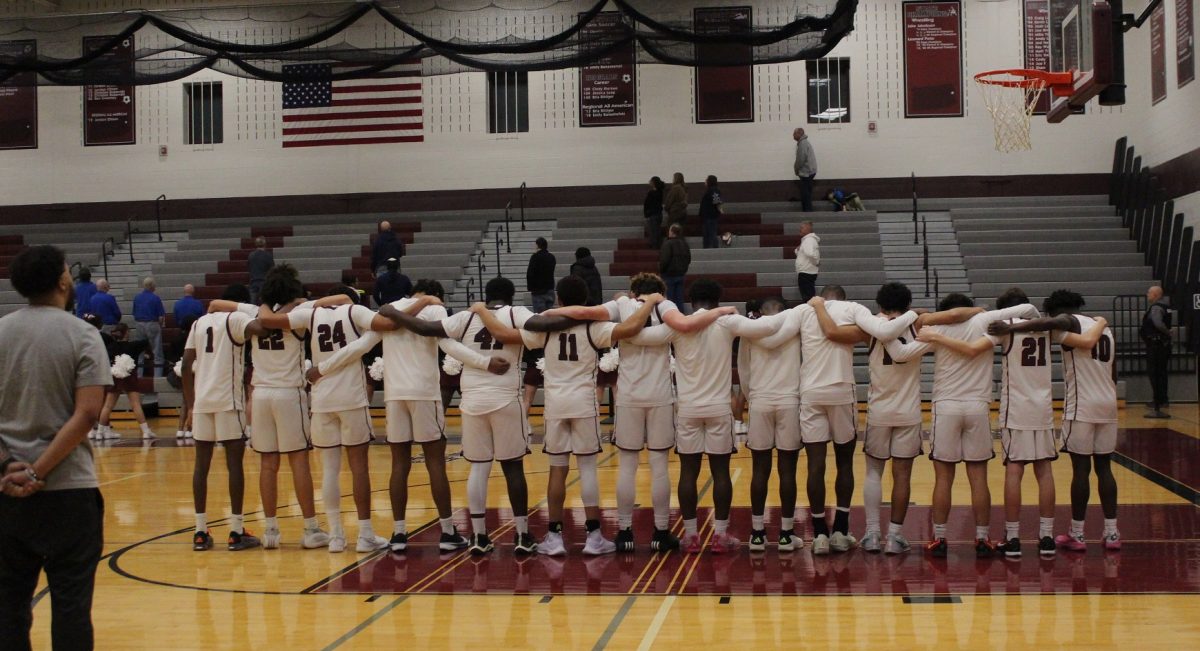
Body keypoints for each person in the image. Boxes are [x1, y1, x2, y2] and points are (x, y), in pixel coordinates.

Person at [541, 273, 737, 553]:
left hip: (629, 396)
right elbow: (687, 324)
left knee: (627, 466)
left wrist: (550, 312)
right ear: (661, 291)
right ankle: (660, 531)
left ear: (634, 292)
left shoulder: (621, 305)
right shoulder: (665, 306)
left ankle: (624, 532)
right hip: (659, 396)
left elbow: (584, 311)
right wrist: (721, 310)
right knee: (659, 467)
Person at [473, 275, 661, 556]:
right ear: (586, 301)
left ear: (558, 299)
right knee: (587, 469)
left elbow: (503, 335)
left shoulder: (545, 326)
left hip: (556, 403)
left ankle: (554, 536)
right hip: (584, 402)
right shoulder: (594, 326)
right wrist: (652, 302)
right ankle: (594, 536)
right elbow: (633, 327)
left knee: (557, 470)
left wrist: (481, 311)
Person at [380, 277, 571, 555]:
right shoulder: (515, 313)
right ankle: (521, 534)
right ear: (511, 295)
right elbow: (542, 325)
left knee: (479, 468)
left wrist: (393, 312)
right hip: (505, 398)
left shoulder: (467, 316)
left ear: (487, 295)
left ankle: (479, 536)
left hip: (472, 401)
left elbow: (424, 328)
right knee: (513, 467)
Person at [307, 280, 496, 554]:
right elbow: (449, 347)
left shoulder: (390, 309)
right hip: (424, 393)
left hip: (394, 396)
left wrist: (322, 367)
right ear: (436, 293)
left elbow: (360, 346)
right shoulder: (434, 308)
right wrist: (485, 362)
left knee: (399, 465)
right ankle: (446, 530)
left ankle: (398, 533)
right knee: (434, 464)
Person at [0, 245, 110, 651]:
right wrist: (38, 471)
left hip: (6, 494)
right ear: (64, 280)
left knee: (8, 609)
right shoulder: (83, 334)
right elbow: (86, 415)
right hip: (69, 493)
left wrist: (11, 465)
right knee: (71, 609)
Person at [817, 283, 980, 555]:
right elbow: (953, 316)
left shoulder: (869, 328)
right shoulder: (919, 326)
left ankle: (871, 533)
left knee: (873, 473)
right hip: (909, 412)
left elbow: (833, 333)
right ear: (907, 304)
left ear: (879, 305)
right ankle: (894, 536)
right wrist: (978, 310)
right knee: (902, 475)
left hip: (879, 411)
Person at [630, 280, 782, 554]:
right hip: (718, 409)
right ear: (717, 299)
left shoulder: (678, 326)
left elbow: (637, 336)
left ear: (690, 301)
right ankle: (720, 536)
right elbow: (768, 326)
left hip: (688, 408)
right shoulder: (726, 323)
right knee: (720, 472)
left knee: (688, 472)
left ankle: (690, 536)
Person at [206, 264, 348, 552]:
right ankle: (310, 529)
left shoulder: (255, 312)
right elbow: (343, 300)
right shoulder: (299, 312)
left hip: (260, 395)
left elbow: (214, 304)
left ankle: (271, 530)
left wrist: (259, 306)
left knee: (268, 464)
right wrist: (301, 302)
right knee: (298, 462)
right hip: (288, 393)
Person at [901, 293, 1039, 558]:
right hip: (977, 406)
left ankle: (940, 537)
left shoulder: (935, 328)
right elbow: (1031, 309)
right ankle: (982, 538)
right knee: (979, 478)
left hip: (946, 406)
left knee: (943, 478)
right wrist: (981, 312)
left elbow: (906, 348)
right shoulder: (985, 320)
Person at [987, 290, 1122, 552]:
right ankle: (1111, 532)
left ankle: (1075, 534)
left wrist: (1013, 325)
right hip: (1104, 403)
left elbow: (1051, 324)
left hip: (1074, 405)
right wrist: (1103, 321)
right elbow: (1114, 372)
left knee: (1075, 470)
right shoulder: (1101, 328)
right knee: (1102, 468)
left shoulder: (1063, 325)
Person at [182, 283, 271, 553]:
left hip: (202, 402)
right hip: (227, 401)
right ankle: (235, 529)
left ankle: (200, 531)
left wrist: (190, 405)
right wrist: (250, 310)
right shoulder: (237, 317)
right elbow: (263, 327)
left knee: (201, 467)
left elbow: (186, 365)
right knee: (235, 466)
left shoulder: (199, 323)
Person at [94, 322, 153, 441]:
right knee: (135, 404)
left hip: (115, 375)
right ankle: (146, 432)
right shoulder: (134, 345)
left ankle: (99, 433)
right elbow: (147, 341)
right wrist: (148, 353)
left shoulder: (111, 346)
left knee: (107, 405)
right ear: (127, 333)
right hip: (130, 376)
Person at [1141, 285, 1172, 418]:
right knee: (1162, 372)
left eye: (1149, 293)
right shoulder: (1166, 307)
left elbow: (1158, 323)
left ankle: (1158, 400)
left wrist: (1167, 332)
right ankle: (1162, 399)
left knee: (1155, 372)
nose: (1147, 294)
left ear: (1155, 294)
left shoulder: (1156, 308)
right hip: (1162, 345)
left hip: (1156, 345)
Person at [132, 276, 166, 376]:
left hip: (139, 324)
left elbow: (134, 313)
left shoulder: (137, 297)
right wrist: (159, 326)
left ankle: (139, 376)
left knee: (140, 351)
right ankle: (157, 377)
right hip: (152, 323)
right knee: (157, 351)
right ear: (151, 286)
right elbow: (161, 316)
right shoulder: (155, 298)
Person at [659, 224, 691, 310]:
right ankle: (680, 315)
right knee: (679, 298)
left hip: (669, 275)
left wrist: (661, 270)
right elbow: (688, 259)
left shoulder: (668, 244)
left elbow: (664, 260)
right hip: (681, 274)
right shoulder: (685, 244)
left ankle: (671, 316)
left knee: (669, 299)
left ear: (672, 232)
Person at [526, 237, 557, 313]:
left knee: (540, 316)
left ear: (537, 245)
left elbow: (530, 273)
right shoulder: (551, 257)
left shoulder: (535, 257)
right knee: (550, 314)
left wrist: (530, 287)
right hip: (549, 288)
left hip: (538, 291)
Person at [794, 221, 820, 302]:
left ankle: (810, 312)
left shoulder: (809, 240)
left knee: (807, 297)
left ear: (808, 229)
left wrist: (816, 262)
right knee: (808, 295)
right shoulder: (807, 240)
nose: (800, 229)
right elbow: (805, 253)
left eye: (802, 228)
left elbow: (810, 254)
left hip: (806, 272)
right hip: (807, 271)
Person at [793, 127, 817, 211]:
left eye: (794, 133)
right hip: (810, 171)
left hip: (806, 172)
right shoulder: (804, 142)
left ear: (799, 134)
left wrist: (796, 169)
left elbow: (801, 159)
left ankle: (807, 211)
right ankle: (808, 210)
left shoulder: (802, 143)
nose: (793, 135)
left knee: (805, 193)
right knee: (807, 192)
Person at [246, 236, 274, 305]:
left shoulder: (251, 255)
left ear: (256, 244)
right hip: (264, 283)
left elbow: (249, 268)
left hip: (253, 282)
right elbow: (272, 270)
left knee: (252, 305)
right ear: (265, 244)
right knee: (265, 305)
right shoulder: (268, 255)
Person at [700, 175, 724, 249]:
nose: (705, 181)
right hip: (709, 216)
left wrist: (720, 209)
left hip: (710, 216)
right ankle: (708, 248)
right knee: (708, 234)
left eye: (706, 179)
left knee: (711, 234)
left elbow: (717, 201)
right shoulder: (711, 190)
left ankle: (713, 249)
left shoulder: (713, 190)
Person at [644, 176, 666, 250]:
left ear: (653, 182)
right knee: (657, 230)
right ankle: (657, 245)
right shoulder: (660, 192)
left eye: (650, 181)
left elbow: (647, 204)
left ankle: (655, 246)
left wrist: (646, 213)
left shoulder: (652, 193)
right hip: (658, 213)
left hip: (653, 213)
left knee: (653, 231)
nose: (649, 182)